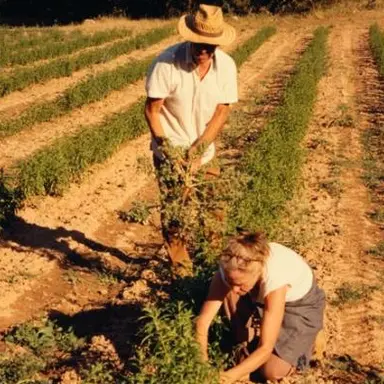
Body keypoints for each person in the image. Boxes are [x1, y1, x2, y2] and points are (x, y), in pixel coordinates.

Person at [144, 4, 238, 267]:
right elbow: (152, 110)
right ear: (190, 38)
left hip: (205, 151)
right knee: (176, 214)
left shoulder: (227, 67)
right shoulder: (166, 63)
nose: (204, 51)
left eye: (211, 46)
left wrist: (199, 150)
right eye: (199, 44)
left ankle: (212, 267)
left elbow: (222, 111)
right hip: (171, 149)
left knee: (215, 210)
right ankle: (181, 272)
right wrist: (170, 152)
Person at [196, 231, 326, 383]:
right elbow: (202, 322)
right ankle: (246, 344)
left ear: (257, 273)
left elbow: (265, 348)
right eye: (232, 282)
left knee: (272, 371)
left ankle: (309, 339)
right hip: (261, 296)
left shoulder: (275, 279)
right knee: (242, 358)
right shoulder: (230, 269)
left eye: (239, 284)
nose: (234, 289)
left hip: (300, 305)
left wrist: (228, 377)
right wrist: (201, 367)